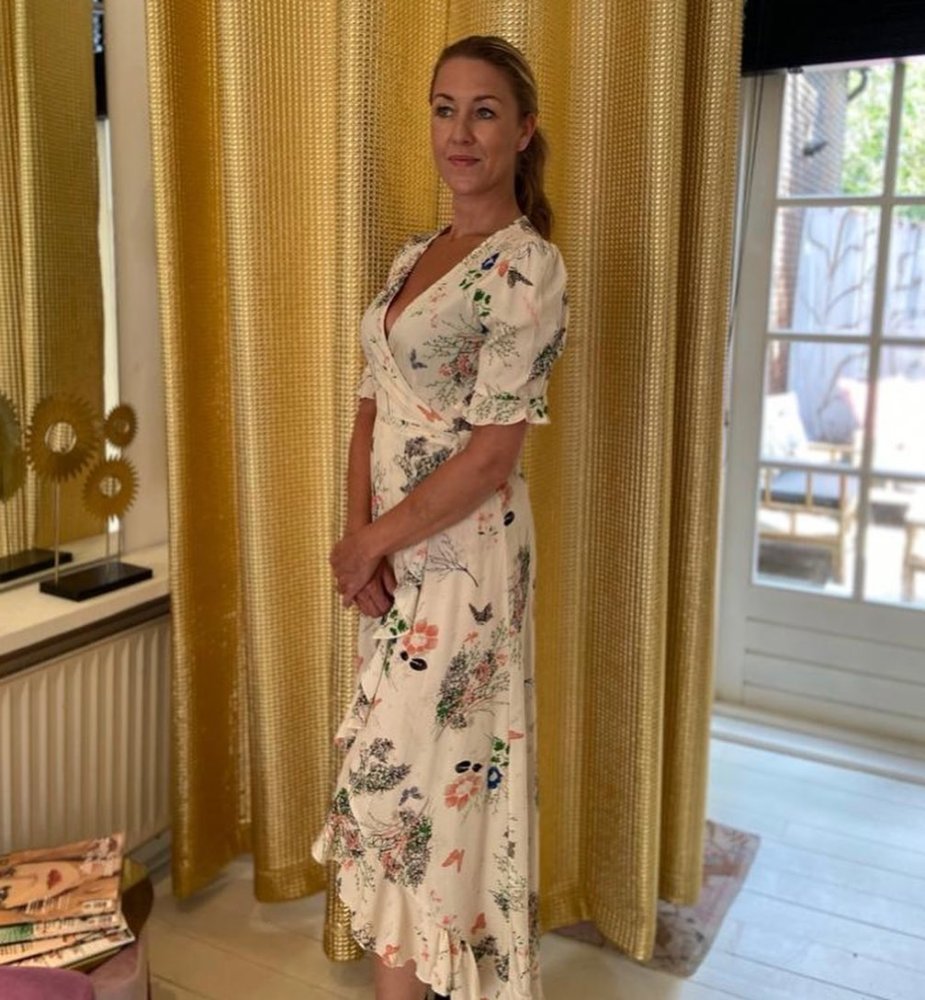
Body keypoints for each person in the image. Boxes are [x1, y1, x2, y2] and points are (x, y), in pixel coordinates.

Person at [313, 34, 569, 1000]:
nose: (459, 132)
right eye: (444, 108)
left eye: (484, 111)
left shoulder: (527, 267)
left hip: (464, 564)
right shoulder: (414, 254)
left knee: (426, 789)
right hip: (391, 559)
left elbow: (493, 457)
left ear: (523, 130)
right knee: (398, 789)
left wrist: (370, 542)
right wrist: (359, 546)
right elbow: (368, 406)